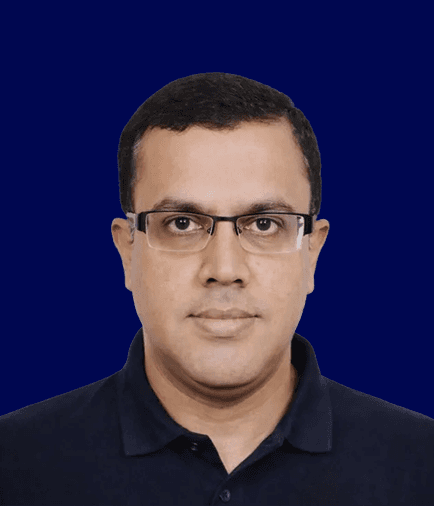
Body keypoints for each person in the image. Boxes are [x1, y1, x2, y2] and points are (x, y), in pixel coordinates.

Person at [1, 73, 433, 505]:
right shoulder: (14, 463)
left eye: (264, 224)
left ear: (312, 252)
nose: (224, 270)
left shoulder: (422, 464)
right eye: (181, 223)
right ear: (128, 250)